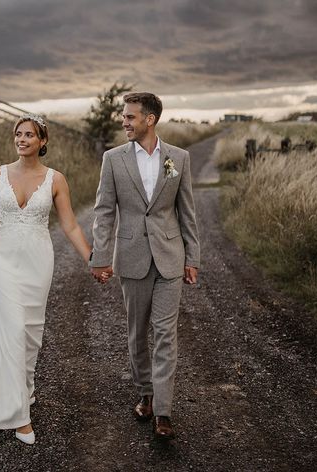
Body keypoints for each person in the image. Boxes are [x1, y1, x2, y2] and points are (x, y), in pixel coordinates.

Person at [0, 114, 91, 445]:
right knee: (12, 327)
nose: (22, 139)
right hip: (1, 258)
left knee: (30, 331)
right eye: (18, 134)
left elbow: (69, 225)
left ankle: (25, 388)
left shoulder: (56, 179)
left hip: (37, 261)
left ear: (42, 141)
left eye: (29, 134)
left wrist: (92, 258)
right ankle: (20, 417)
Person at [90, 92, 200, 441]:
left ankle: (164, 412)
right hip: (132, 256)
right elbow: (105, 211)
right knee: (138, 332)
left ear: (149, 119)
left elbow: (187, 212)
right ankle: (146, 394)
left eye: (131, 116)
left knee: (166, 334)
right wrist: (101, 257)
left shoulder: (179, 158)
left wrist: (192, 258)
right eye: (125, 116)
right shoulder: (113, 159)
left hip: (170, 258)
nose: (125, 121)